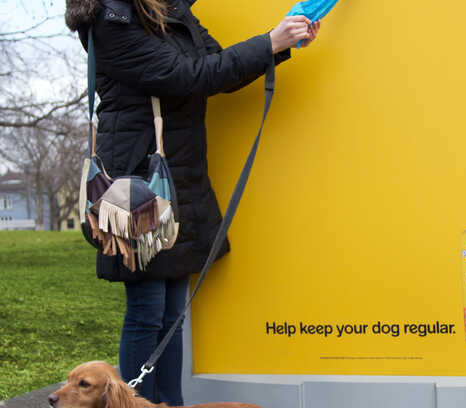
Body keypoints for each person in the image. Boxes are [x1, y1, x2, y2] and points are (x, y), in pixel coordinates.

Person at [65, 0, 320, 405]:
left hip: (176, 172)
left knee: (171, 315)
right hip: (136, 183)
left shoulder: (167, 9)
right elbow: (186, 75)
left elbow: (216, 68)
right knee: (148, 309)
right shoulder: (111, 19)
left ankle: (170, 403)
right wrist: (269, 41)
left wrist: (277, 45)